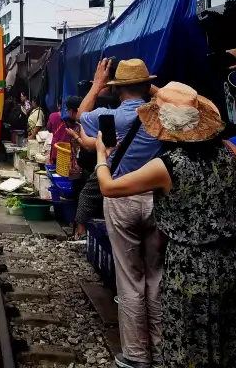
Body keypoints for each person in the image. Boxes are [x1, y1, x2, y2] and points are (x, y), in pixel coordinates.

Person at [95, 82, 236, 368]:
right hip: (227, 262)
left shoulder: (168, 165)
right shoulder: (230, 154)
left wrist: (101, 154)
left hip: (187, 266)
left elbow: (109, 187)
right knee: (223, 338)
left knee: (186, 339)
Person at [79, 59, 163, 368]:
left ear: (116, 90)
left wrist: (98, 84)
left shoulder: (109, 118)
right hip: (156, 201)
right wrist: (148, 86)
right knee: (155, 276)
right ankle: (161, 348)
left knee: (130, 279)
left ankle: (136, 355)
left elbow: (80, 115)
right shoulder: (161, 115)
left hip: (121, 198)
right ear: (144, 86)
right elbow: (185, 99)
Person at [47, 96, 81, 163]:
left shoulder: (53, 116)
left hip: (57, 150)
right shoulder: (79, 122)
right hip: (70, 153)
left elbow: (49, 129)